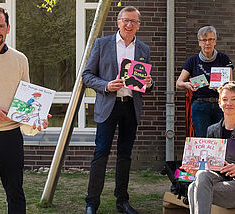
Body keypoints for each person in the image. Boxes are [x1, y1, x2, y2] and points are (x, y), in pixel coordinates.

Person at [0, 4, 49, 214]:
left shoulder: (20, 59)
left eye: (0, 26)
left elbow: (26, 102)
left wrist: (37, 117)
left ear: (8, 28)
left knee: (15, 192)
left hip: (10, 136)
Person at [82, 6, 153, 214]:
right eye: (126, 20)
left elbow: (147, 84)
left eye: (134, 21)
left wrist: (149, 82)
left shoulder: (144, 50)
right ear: (118, 22)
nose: (129, 25)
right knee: (100, 154)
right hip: (108, 106)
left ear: (138, 25)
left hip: (130, 107)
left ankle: (122, 202)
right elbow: (87, 75)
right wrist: (105, 85)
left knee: (125, 156)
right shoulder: (102, 44)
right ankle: (91, 203)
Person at [182, 82, 235, 214]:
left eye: (233, 99)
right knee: (200, 176)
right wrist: (195, 169)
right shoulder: (212, 130)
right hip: (220, 181)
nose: (229, 103)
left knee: (194, 188)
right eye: (225, 99)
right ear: (220, 103)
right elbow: (210, 166)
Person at [176, 26, 234, 137]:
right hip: (200, 105)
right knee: (203, 139)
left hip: (220, 105)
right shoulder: (192, 61)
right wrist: (187, 85)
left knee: (221, 139)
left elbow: (230, 84)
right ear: (199, 43)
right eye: (204, 40)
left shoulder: (224, 59)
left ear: (215, 41)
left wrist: (221, 88)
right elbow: (178, 83)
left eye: (211, 39)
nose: (207, 43)